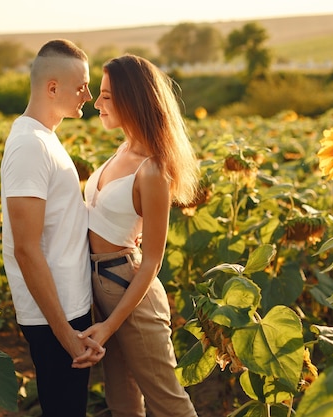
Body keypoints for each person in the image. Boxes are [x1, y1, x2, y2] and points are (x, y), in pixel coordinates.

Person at [81, 54, 199, 417]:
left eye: (106, 96)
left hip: (129, 288)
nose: (96, 104)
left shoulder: (153, 170)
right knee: (123, 400)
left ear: (132, 99)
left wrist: (107, 327)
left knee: (168, 401)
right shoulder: (121, 150)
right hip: (99, 285)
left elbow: (152, 262)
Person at [0, 39, 105, 417]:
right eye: (82, 86)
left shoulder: (45, 138)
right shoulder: (29, 145)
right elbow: (25, 249)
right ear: (52, 88)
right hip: (54, 316)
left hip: (66, 306)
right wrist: (67, 336)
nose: (89, 96)